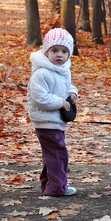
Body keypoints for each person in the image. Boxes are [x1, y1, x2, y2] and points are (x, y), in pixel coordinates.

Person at [27, 28, 78, 196]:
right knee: (58, 154)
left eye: (64, 51)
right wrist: (60, 102)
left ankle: (49, 184)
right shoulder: (41, 73)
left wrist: (72, 93)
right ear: (46, 51)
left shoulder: (62, 70)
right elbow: (40, 98)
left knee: (52, 155)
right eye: (54, 50)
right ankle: (57, 187)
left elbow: (66, 85)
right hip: (46, 121)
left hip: (56, 121)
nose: (59, 55)